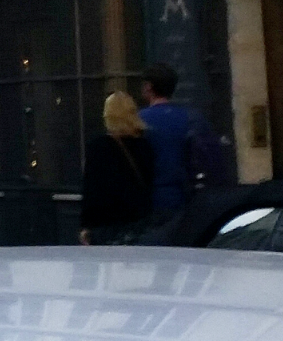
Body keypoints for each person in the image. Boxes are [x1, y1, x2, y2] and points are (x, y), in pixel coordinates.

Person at [81, 91, 158, 245]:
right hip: (139, 224)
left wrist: (86, 227)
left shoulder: (99, 147)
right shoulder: (145, 146)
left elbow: (92, 190)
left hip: (106, 225)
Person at [138, 63, 202, 221]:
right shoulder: (191, 118)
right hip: (185, 197)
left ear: (148, 87)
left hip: (149, 199)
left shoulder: (138, 121)